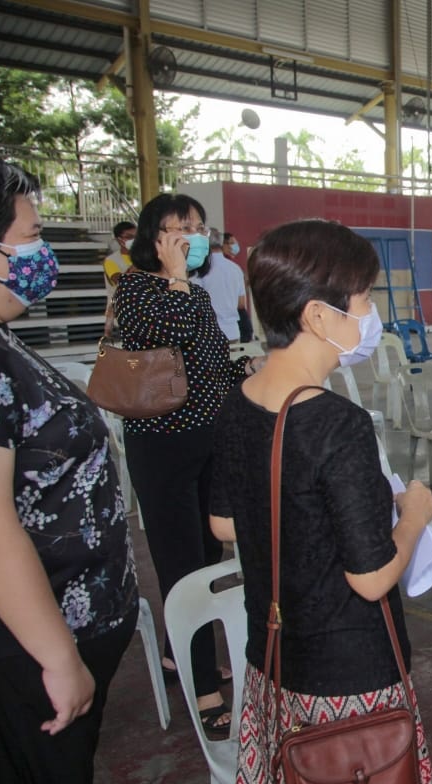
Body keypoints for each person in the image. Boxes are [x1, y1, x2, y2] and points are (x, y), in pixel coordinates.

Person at [210, 219, 432, 784]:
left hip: (275, 659)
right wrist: (415, 517)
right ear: (318, 314)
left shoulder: (241, 397)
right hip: (347, 676)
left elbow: (224, 523)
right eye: (363, 299)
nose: (370, 314)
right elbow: (370, 578)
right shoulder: (335, 422)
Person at [0, 154, 138, 784]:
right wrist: (58, 656)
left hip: (43, 642)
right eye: (28, 236)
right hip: (15, 654)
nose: (41, 255)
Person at [114, 193, 261, 740]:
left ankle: (186, 656)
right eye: (182, 229)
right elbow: (161, 340)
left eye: (200, 227)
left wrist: (248, 371)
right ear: (155, 239)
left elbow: (206, 362)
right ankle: (202, 685)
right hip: (164, 448)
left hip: (207, 443)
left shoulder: (196, 294)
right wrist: (175, 276)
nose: (196, 238)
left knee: (208, 558)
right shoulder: (135, 290)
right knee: (180, 566)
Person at [196, 227, 247, 342]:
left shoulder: (200, 270)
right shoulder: (235, 269)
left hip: (209, 333)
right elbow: (241, 304)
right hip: (233, 332)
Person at [102, 220, 135, 336]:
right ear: (119, 239)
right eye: (129, 237)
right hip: (121, 313)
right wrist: (136, 265)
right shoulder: (110, 261)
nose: (134, 240)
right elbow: (120, 281)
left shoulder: (144, 257)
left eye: (136, 236)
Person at [223, 231, 254, 343]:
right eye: (231, 243)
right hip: (234, 317)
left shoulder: (234, 267)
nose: (235, 246)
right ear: (223, 245)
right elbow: (241, 302)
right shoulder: (231, 268)